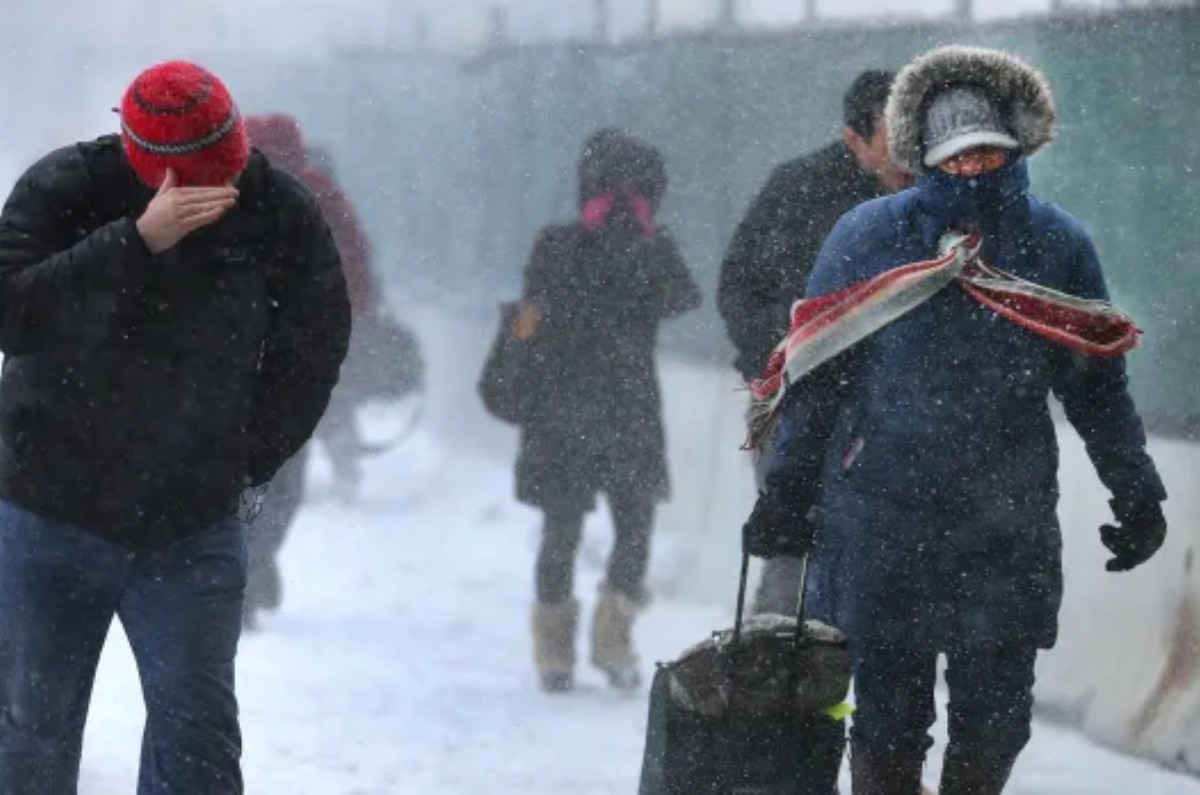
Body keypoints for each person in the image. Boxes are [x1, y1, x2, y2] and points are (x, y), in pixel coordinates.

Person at [742, 45, 1168, 794]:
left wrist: (1135, 490)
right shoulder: (868, 237)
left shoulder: (1057, 246)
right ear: (925, 157)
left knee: (998, 719)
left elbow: (1096, 383)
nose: (974, 171)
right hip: (883, 520)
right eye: (957, 159)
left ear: (1016, 149)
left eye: (988, 156)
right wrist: (786, 493)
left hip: (1004, 525)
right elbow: (818, 378)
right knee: (887, 721)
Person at [0, 61, 350, 792]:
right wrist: (134, 242)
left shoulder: (277, 207)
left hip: (190, 524)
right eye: (203, 180)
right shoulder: (67, 187)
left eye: (233, 168)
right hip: (48, 511)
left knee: (197, 742)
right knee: (31, 731)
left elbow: (316, 342)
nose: (224, 191)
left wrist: (246, 459)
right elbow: (13, 314)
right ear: (149, 166)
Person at [717, 69, 910, 615]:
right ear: (854, 137)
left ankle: (818, 674)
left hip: (882, 402)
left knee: (866, 546)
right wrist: (775, 361)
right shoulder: (798, 189)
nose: (905, 155)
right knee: (793, 538)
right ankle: (773, 672)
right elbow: (737, 283)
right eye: (890, 138)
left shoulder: (928, 201)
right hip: (791, 392)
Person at [518, 129, 700, 693]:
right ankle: (610, 639)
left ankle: (556, 653)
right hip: (626, 406)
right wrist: (639, 244)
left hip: (565, 409)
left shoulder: (555, 244)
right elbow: (682, 298)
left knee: (563, 527)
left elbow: (532, 310)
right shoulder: (651, 249)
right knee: (631, 524)